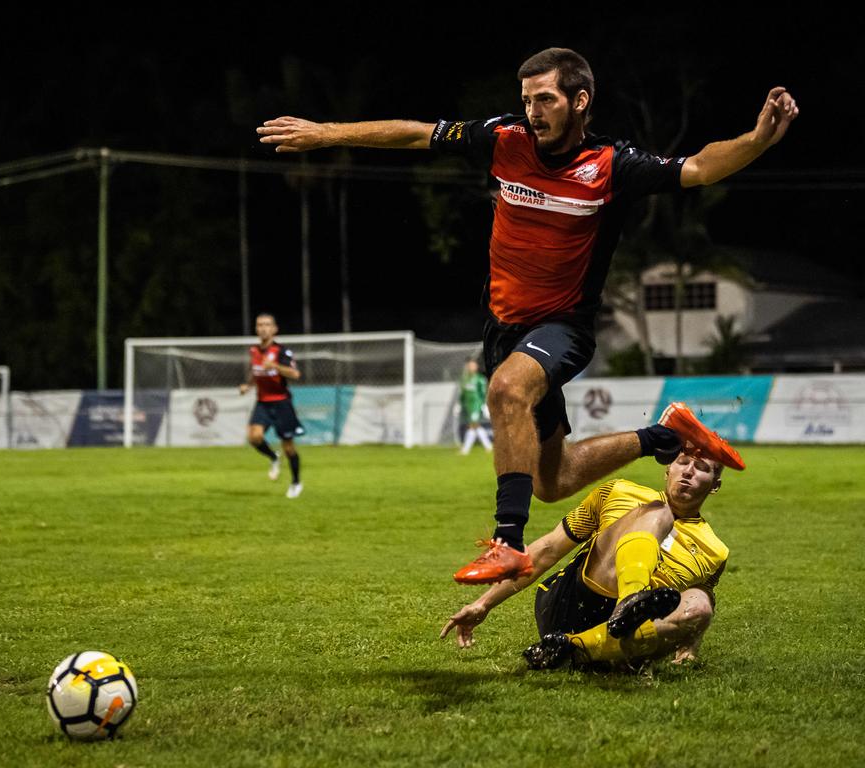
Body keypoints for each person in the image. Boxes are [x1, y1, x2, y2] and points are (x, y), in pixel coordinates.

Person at [258, 48, 793, 580]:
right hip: (502, 328)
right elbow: (416, 133)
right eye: (526, 100)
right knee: (550, 481)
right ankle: (663, 436)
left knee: (507, 391)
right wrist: (326, 132)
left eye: (545, 99)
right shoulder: (503, 139)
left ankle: (506, 542)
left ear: (579, 100)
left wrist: (757, 139)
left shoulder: (612, 165)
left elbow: (698, 168)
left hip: (562, 327)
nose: (533, 111)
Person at [441, 451, 728, 669]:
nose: (688, 472)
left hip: (614, 638)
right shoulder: (619, 492)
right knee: (659, 512)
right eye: (683, 462)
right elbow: (549, 549)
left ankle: (574, 650)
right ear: (668, 467)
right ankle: (632, 600)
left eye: (702, 468)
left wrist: (688, 648)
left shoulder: (715, 549)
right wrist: (483, 603)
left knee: (701, 604)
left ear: (715, 484)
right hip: (571, 604)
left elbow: (701, 603)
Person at [239, 313, 305, 498]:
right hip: (262, 403)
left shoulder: (282, 352)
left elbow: (295, 374)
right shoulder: (254, 351)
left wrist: (276, 366)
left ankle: (296, 482)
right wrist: (248, 385)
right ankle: (273, 457)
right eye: (260, 325)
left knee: (289, 447)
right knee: (254, 437)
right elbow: (256, 372)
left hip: (282, 403)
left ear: (274, 329)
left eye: (267, 325)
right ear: (256, 329)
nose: (263, 328)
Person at [459, 359, 491, 454]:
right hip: (468, 407)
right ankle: (488, 446)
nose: (470, 367)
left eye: (472, 365)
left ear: (476, 367)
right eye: (469, 366)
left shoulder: (480, 379)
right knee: (475, 426)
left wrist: (484, 404)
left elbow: (484, 393)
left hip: (477, 405)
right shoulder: (465, 379)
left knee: (473, 426)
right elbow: (463, 394)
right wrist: (459, 404)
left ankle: (465, 449)